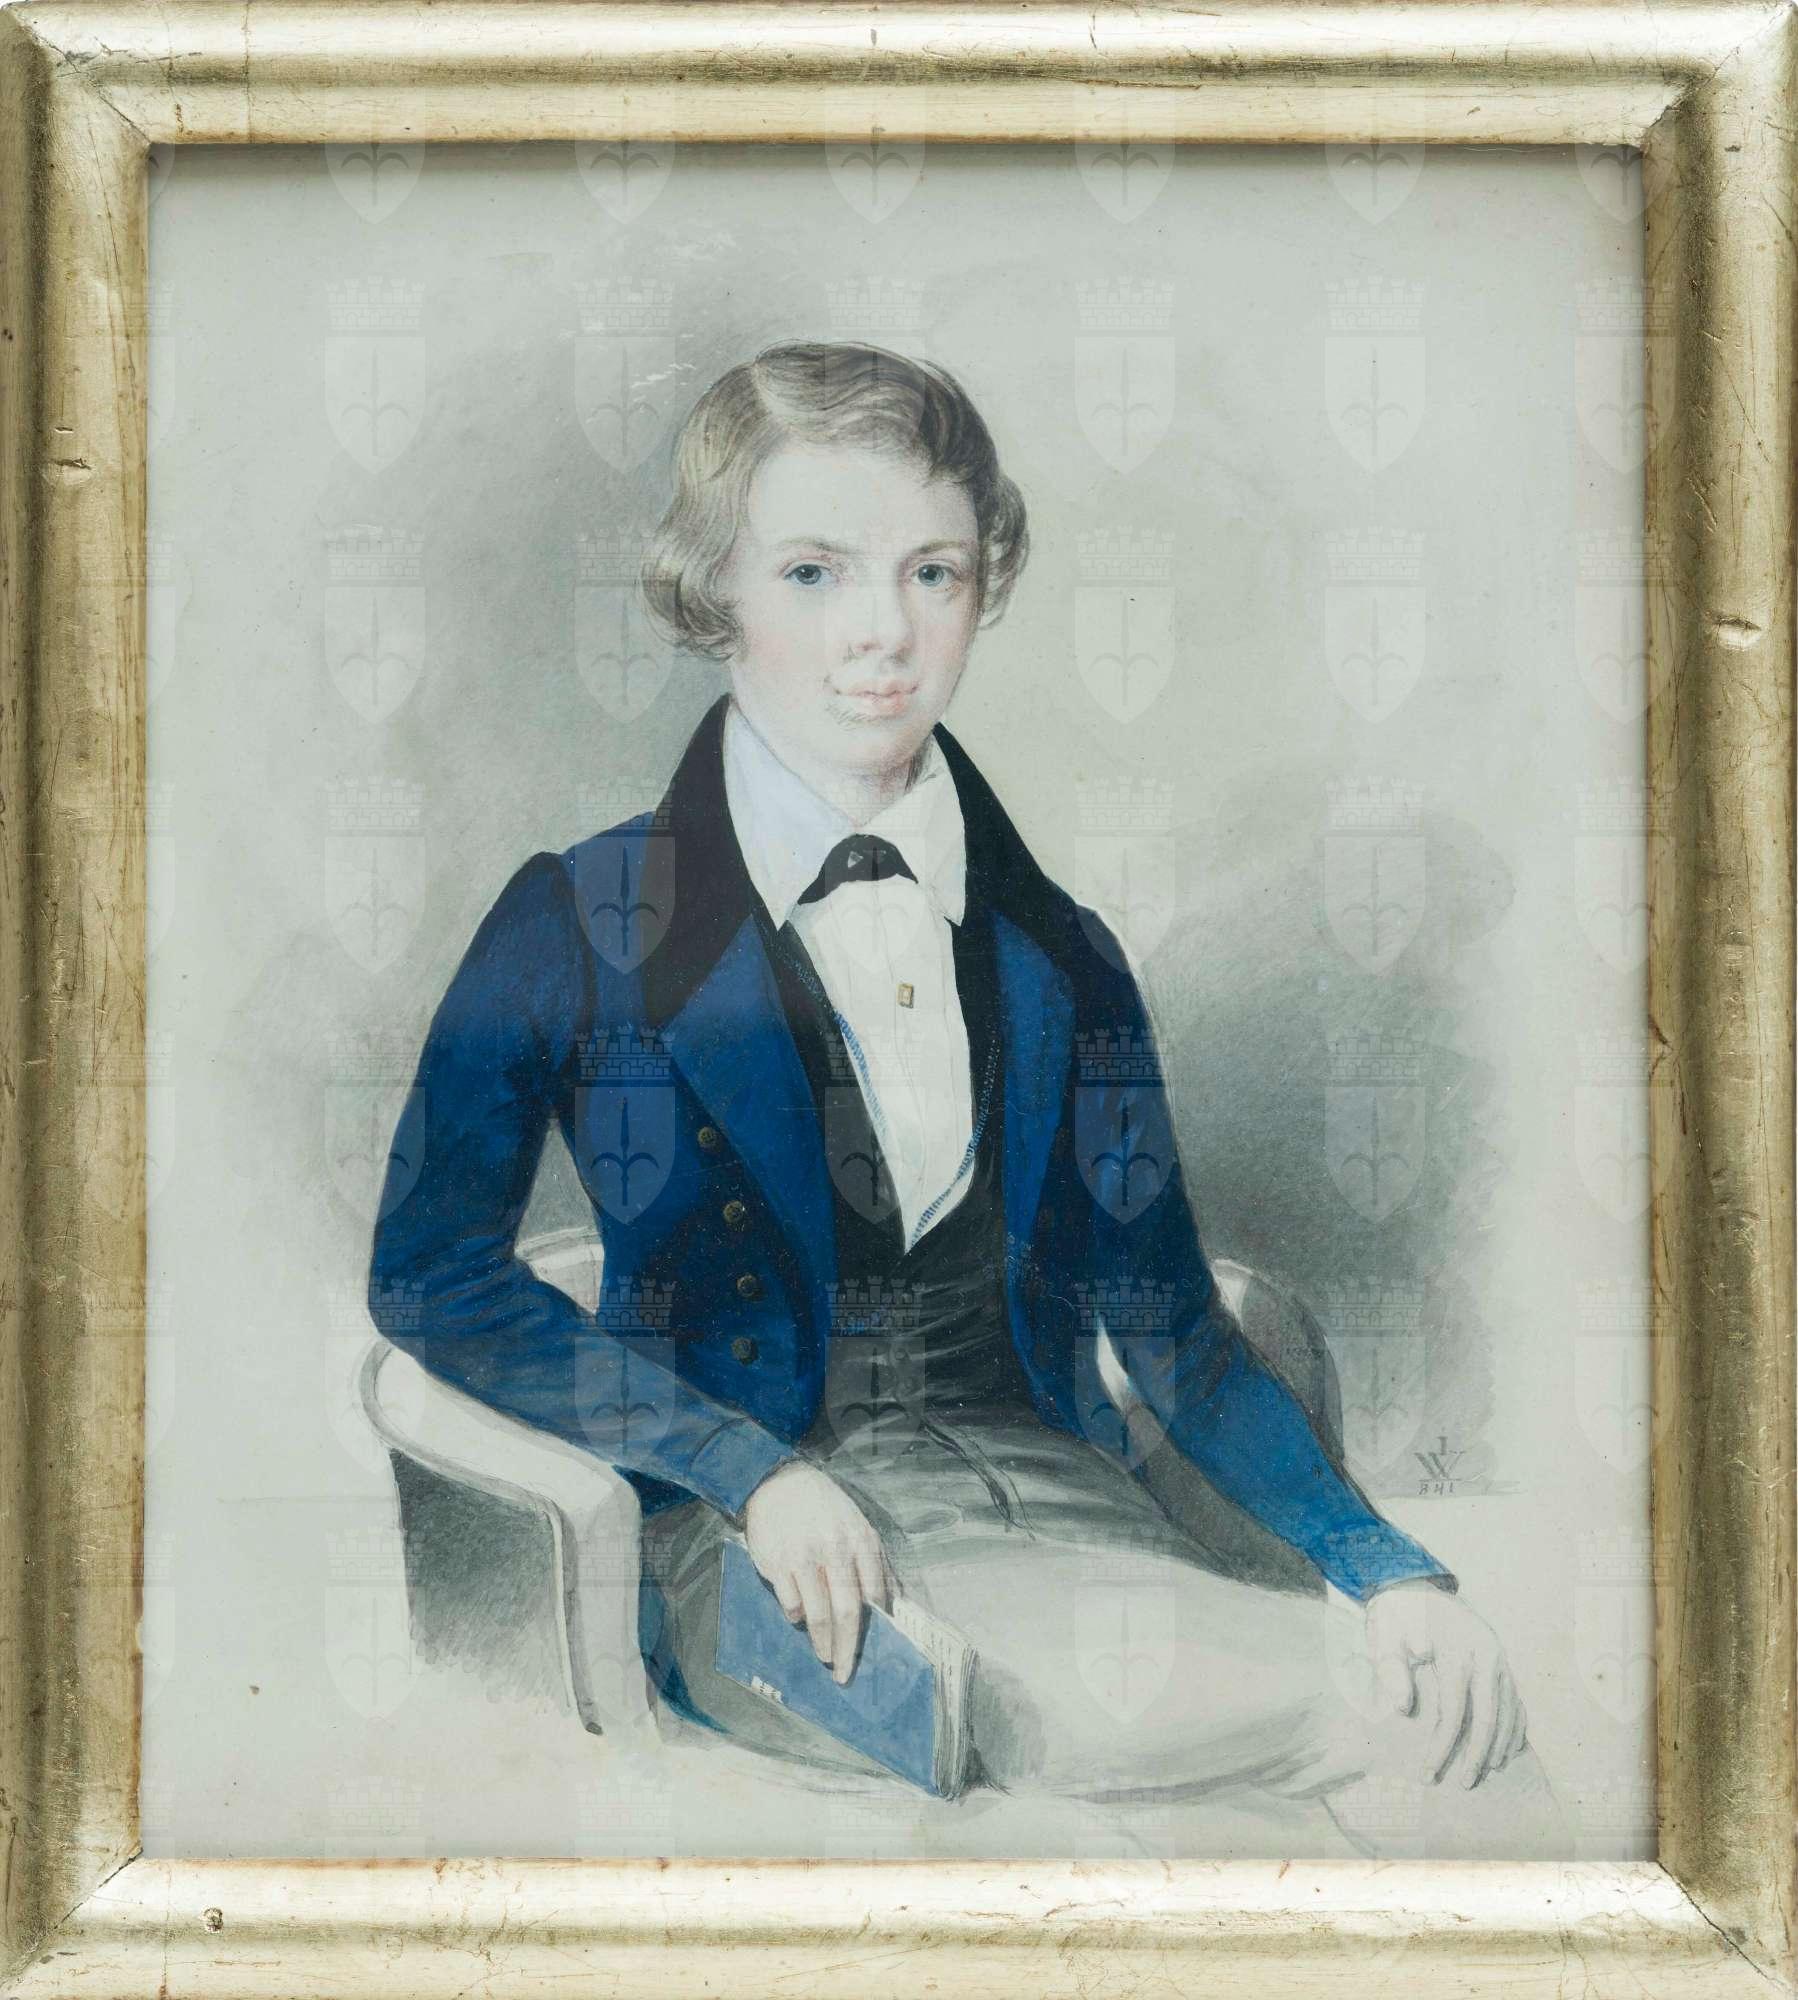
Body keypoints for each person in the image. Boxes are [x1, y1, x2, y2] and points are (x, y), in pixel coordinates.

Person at [367, 340, 1565, 1853]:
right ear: (714, 590)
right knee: (1180, 1763)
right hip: (759, 1558)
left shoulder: (1062, 954)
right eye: (814, 574)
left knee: (1458, 1734)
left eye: (930, 572)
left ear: (983, 584)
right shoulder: (578, 917)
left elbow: (1172, 1327)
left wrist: (1387, 1569)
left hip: (1074, 1524)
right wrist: (743, 1470)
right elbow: (431, 1275)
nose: (882, 632)